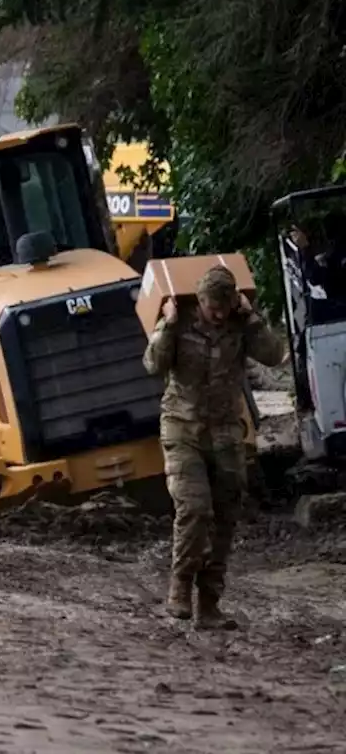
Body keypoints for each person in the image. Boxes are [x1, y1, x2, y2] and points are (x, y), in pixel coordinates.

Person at [142, 265, 285, 628]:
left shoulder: (239, 323)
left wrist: (251, 318)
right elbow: (152, 364)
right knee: (194, 508)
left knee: (225, 517)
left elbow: (273, 355)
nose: (219, 315)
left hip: (224, 432)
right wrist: (166, 325)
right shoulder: (179, 322)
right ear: (200, 301)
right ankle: (180, 586)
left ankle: (209, 604)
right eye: (212, 308)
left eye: (225, 308)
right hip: (182, 429)